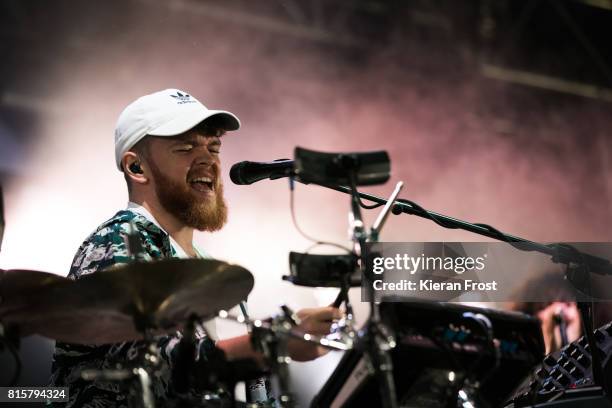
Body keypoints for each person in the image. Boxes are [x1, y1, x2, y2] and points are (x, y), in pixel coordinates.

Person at [50, 88, 341, 407]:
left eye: (213, 147)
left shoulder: (208, 268)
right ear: (137, 168)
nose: (209, 161)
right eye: (186, 148)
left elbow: (244, 390)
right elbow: (144, 368)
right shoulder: (121, 239)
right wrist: (272, 343)